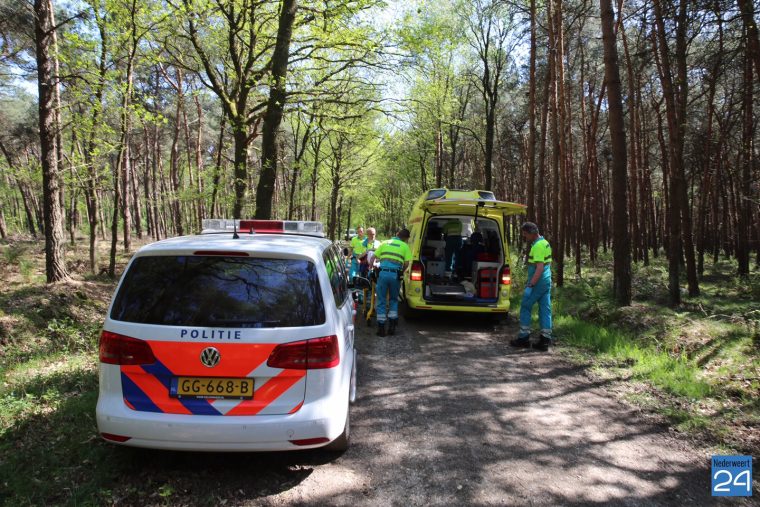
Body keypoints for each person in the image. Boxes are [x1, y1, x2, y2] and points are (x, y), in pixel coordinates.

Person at [511, 222, 553, 351]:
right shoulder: (545, 242)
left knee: (525, 306)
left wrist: (530, 285)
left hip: (538, 282)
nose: (525, 237)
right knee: (545, 309)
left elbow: (539, 269)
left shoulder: (538, 246)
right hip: (546, 281)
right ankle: (545, 340)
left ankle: (524, 338)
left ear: (531, 233)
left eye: (525, 234)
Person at [373, 228, 412, 337]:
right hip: (395, 275)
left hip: (383, 274)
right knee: (394, 299)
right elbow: (407, 263)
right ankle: (392, 327)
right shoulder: (405, 246)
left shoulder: (384, 243)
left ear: (397, 234)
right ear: (406, 238)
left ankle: (381, 329)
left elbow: (373, 258)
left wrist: (372, 268)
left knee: (381, 300)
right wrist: (401, 272)